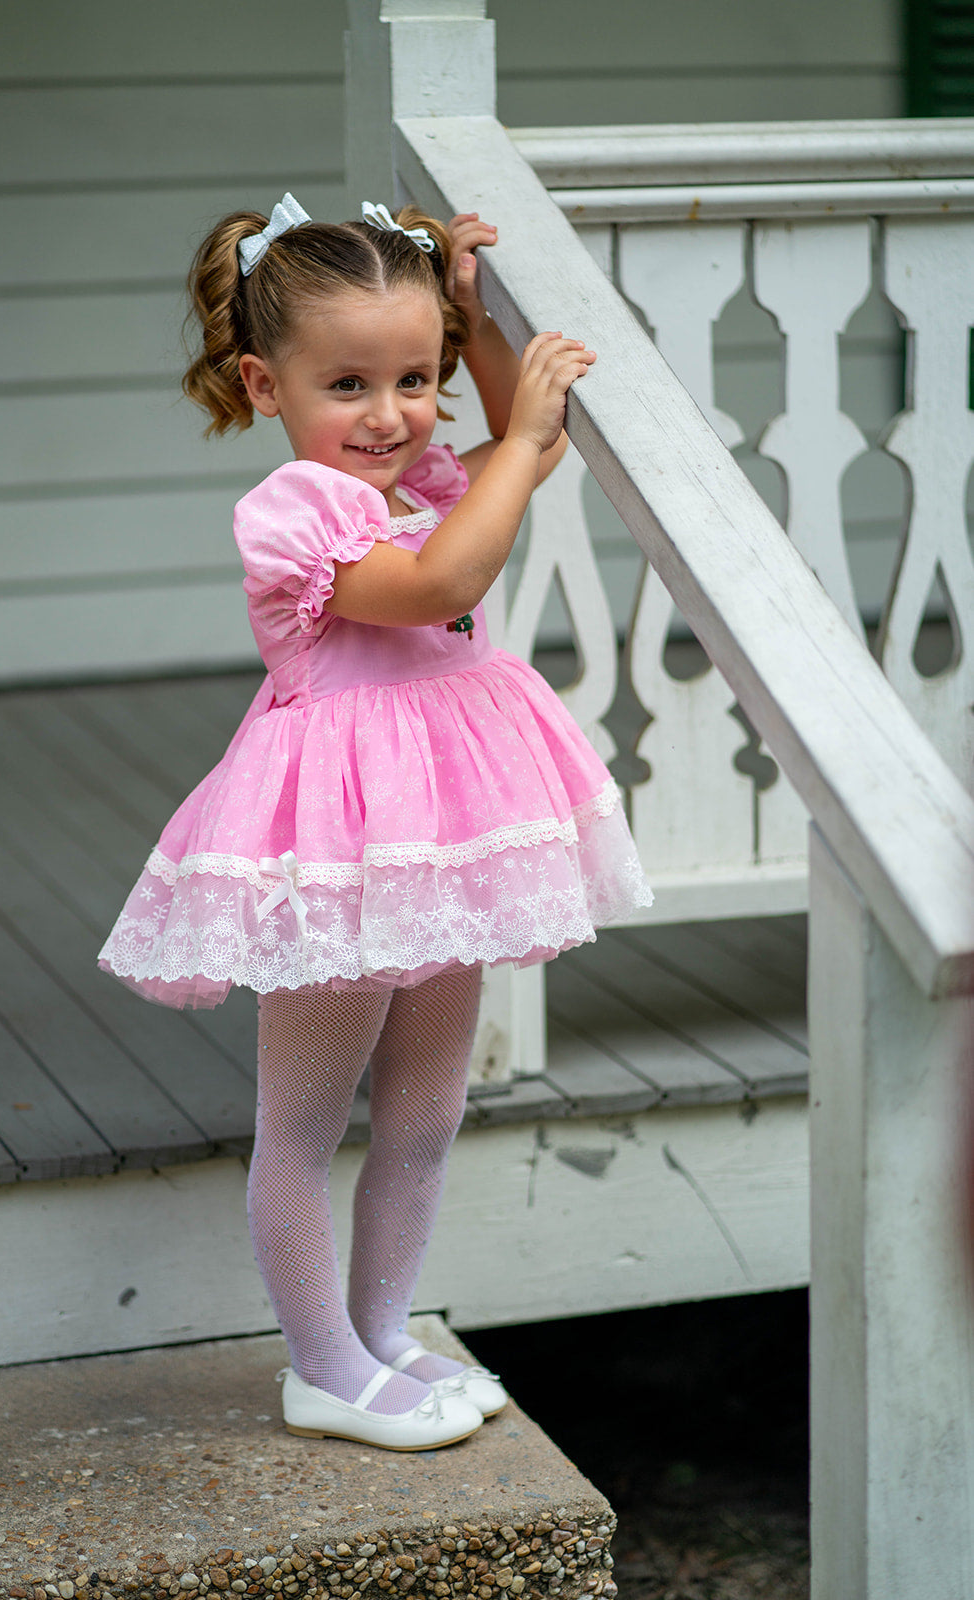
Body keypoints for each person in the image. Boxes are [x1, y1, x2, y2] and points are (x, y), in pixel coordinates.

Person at [99, 194, 652, 1451]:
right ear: (263, 380)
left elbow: (521, 433)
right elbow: (442, 582)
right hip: (337, 837)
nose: (393, 413)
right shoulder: (300, 511)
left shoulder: (424, 476)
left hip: (445, 824)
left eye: (416, 377)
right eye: (349, 381)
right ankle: (320, 1366)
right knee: (304, 1118)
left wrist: (472, 319)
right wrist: (514, 442)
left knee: (424, 1105)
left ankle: (383, 1329)